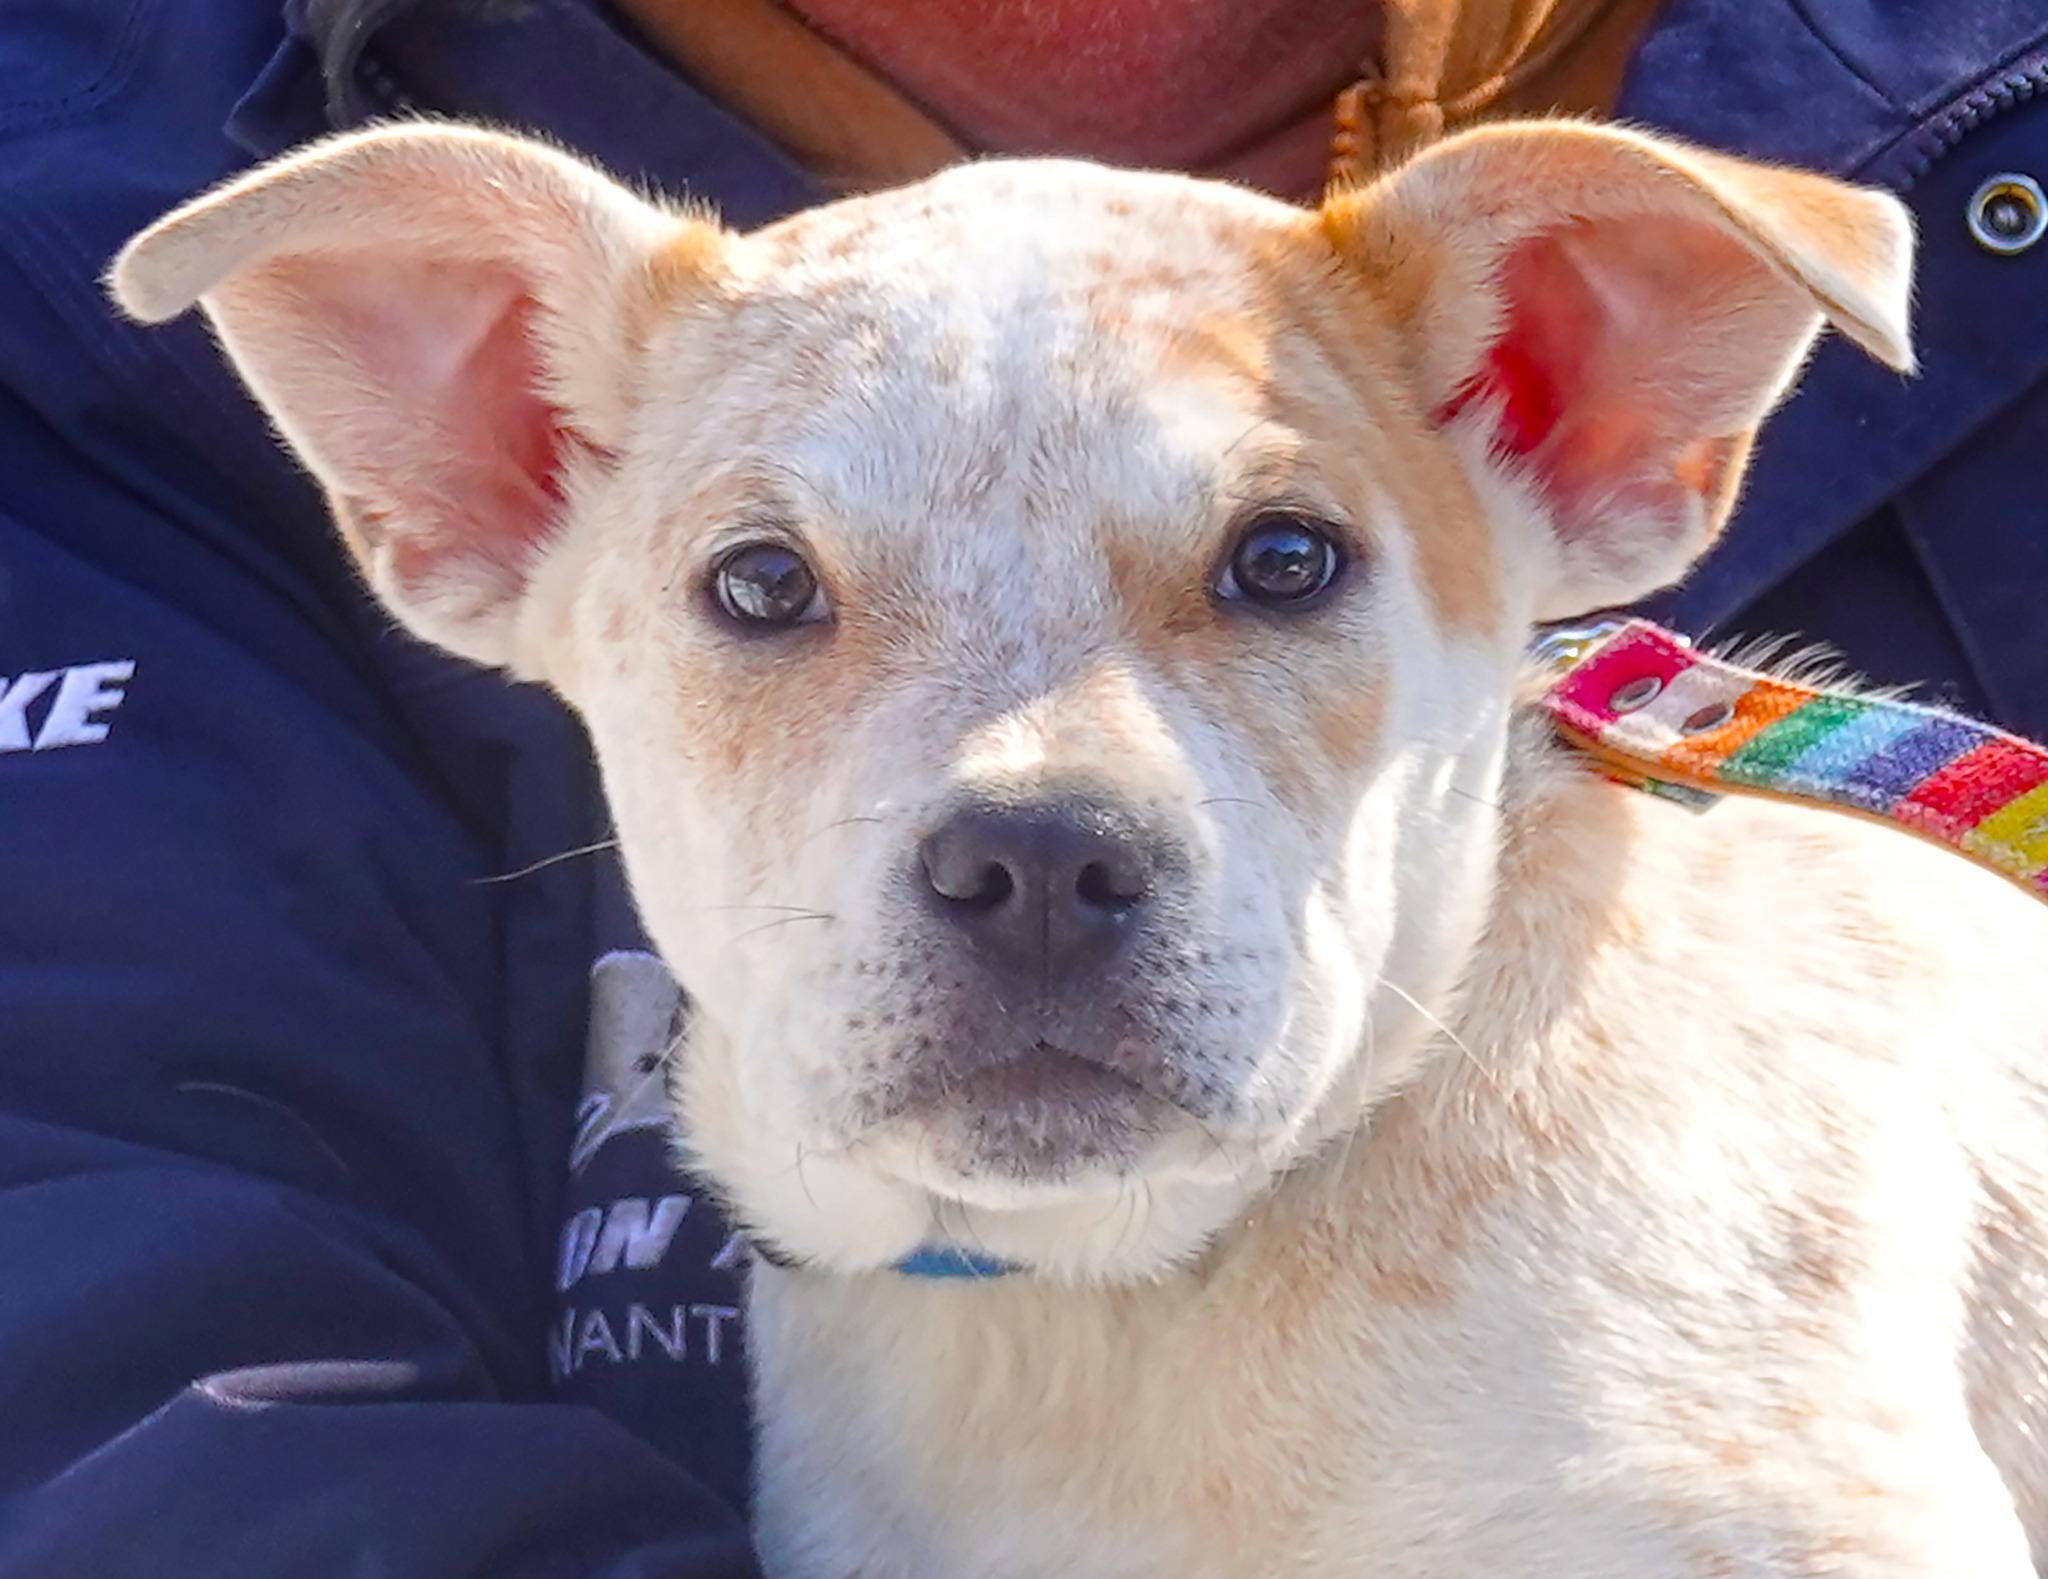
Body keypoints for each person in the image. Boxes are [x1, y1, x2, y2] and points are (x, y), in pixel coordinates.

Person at [0, 1, 2042, 1573]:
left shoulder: (1668, 1281)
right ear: (496, 484)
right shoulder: (120, 256)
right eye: (771, 593)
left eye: (1274, 564)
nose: (1033, 819)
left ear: (1569, 429)